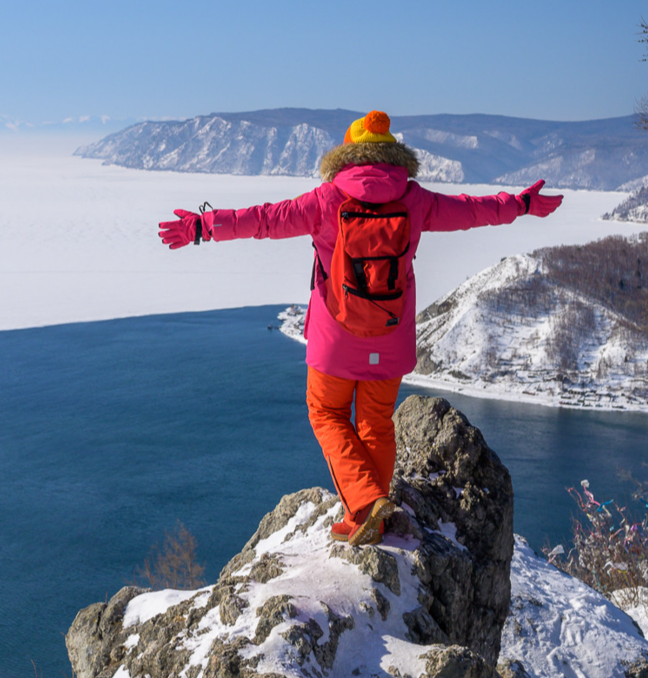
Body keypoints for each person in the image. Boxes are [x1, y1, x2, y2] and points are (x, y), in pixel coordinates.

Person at [158, 110, 562, 546]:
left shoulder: (326, 200)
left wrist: (204, 226)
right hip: (390, 335)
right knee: (376, 423)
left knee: (327, 414)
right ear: (393, 157)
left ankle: (367, 507)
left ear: (347, 157)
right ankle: (373, 517)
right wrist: (520, 204)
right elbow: (472, 211)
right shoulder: (414, 199)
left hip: (336, 338)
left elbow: (264, 220)